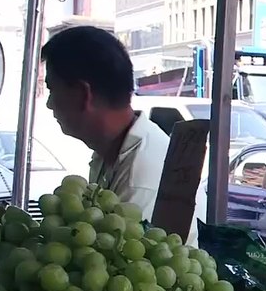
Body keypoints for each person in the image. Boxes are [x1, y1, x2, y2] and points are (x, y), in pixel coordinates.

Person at [40, 26, 204, 243]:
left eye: (52, 90)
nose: (49, 104)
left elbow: (122, 266)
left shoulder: (140, 179)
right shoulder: (111, 151)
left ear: (82, 94)